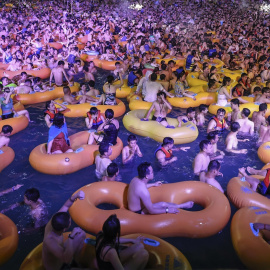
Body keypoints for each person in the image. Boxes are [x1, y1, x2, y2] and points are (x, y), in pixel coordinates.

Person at [42, 190, 86, 270]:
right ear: (64, 229)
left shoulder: (55, 220)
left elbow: (66, 206)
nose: (70, 220)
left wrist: (75, 196)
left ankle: (76, 262)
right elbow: (66, 260)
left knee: (81, 234)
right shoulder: (50, 241)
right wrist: (71, 237)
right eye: (70, 221)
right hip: (57, 267)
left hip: (61, 257)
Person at [127, 162, 194, 214]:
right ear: (147, 176)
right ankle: (182, 206)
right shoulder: (143, 191)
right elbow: (151, 211)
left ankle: (181, 205)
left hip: (132, 207)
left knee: (162, 204)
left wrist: (154, 184)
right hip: (137, 212)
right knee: (163, 204)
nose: (153, 173)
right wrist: (167, 210)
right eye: (152, 172)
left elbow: (139, 189)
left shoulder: (135, 179)